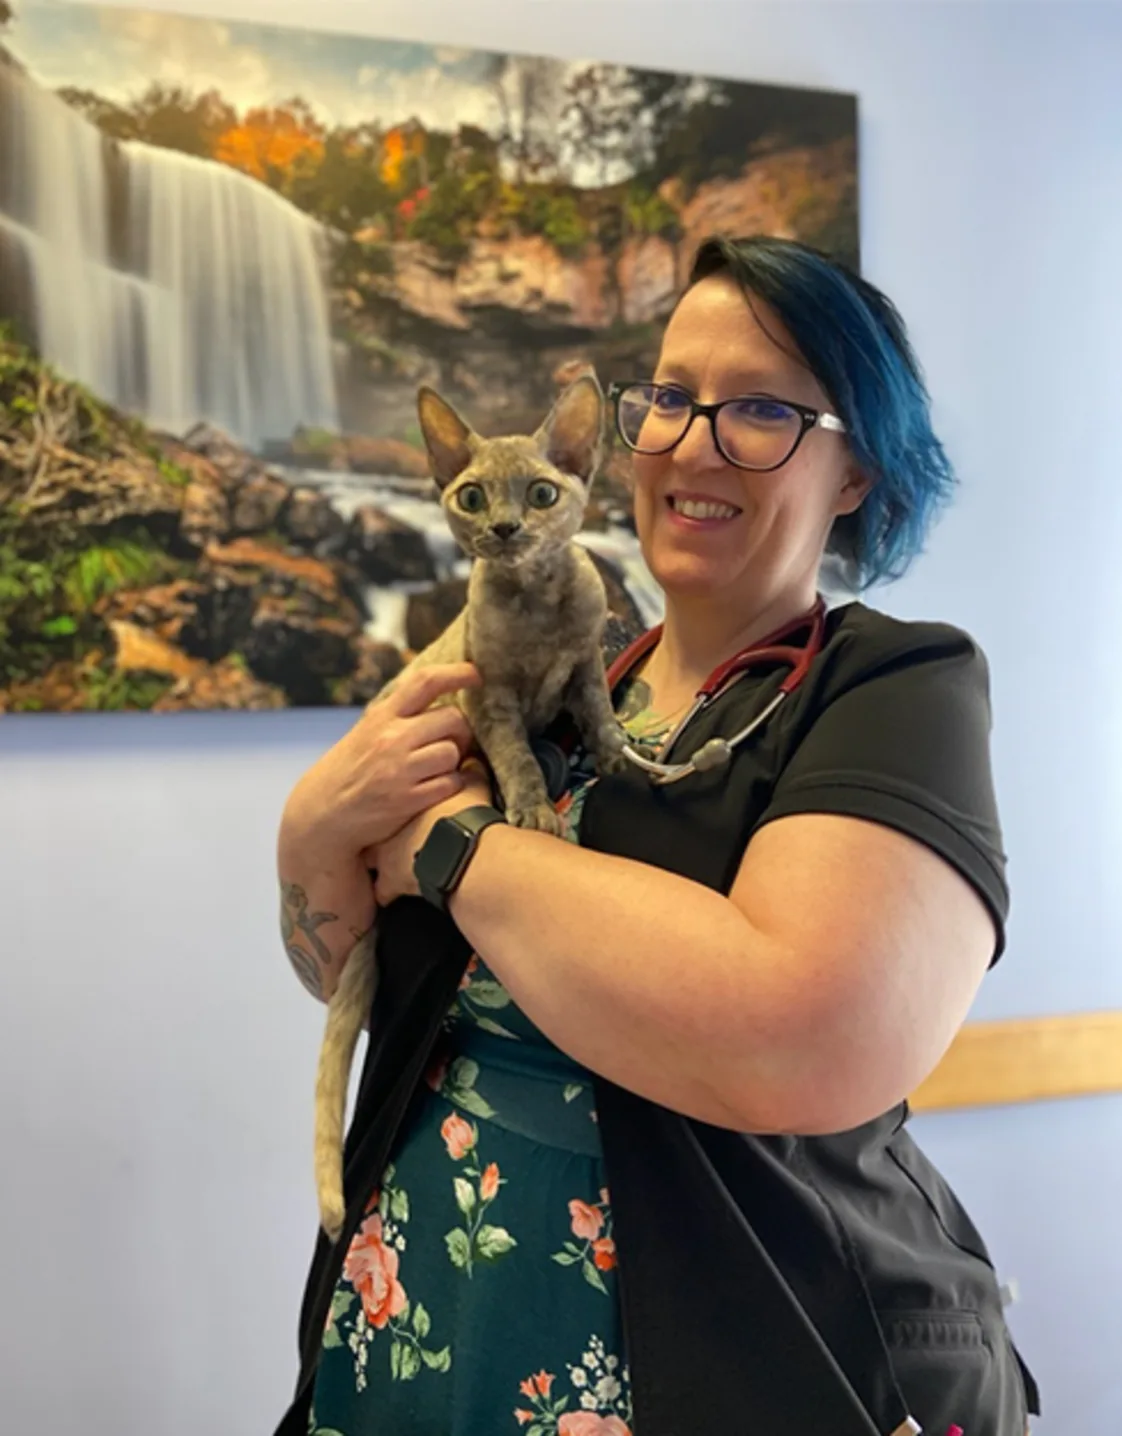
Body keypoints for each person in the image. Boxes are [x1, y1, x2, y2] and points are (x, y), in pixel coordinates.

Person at [273, 235, 1039, 1436]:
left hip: (735, 1353)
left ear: (855, 469)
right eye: (672, 396)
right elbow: (358, 976)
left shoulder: (894, 688)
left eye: (763, 410)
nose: (691, 442)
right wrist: (307, 835)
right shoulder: (564, 689)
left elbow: (808, 1035)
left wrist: (456, 844)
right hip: (428, 1328)